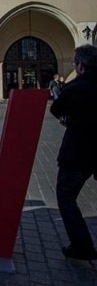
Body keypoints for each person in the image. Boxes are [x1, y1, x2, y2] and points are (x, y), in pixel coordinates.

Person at [50, 44, 97, 260]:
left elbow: (56, 109)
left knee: (66, 197)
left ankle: (82, 245)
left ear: (80, 66)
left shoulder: (76, 88)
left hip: (78, 153)